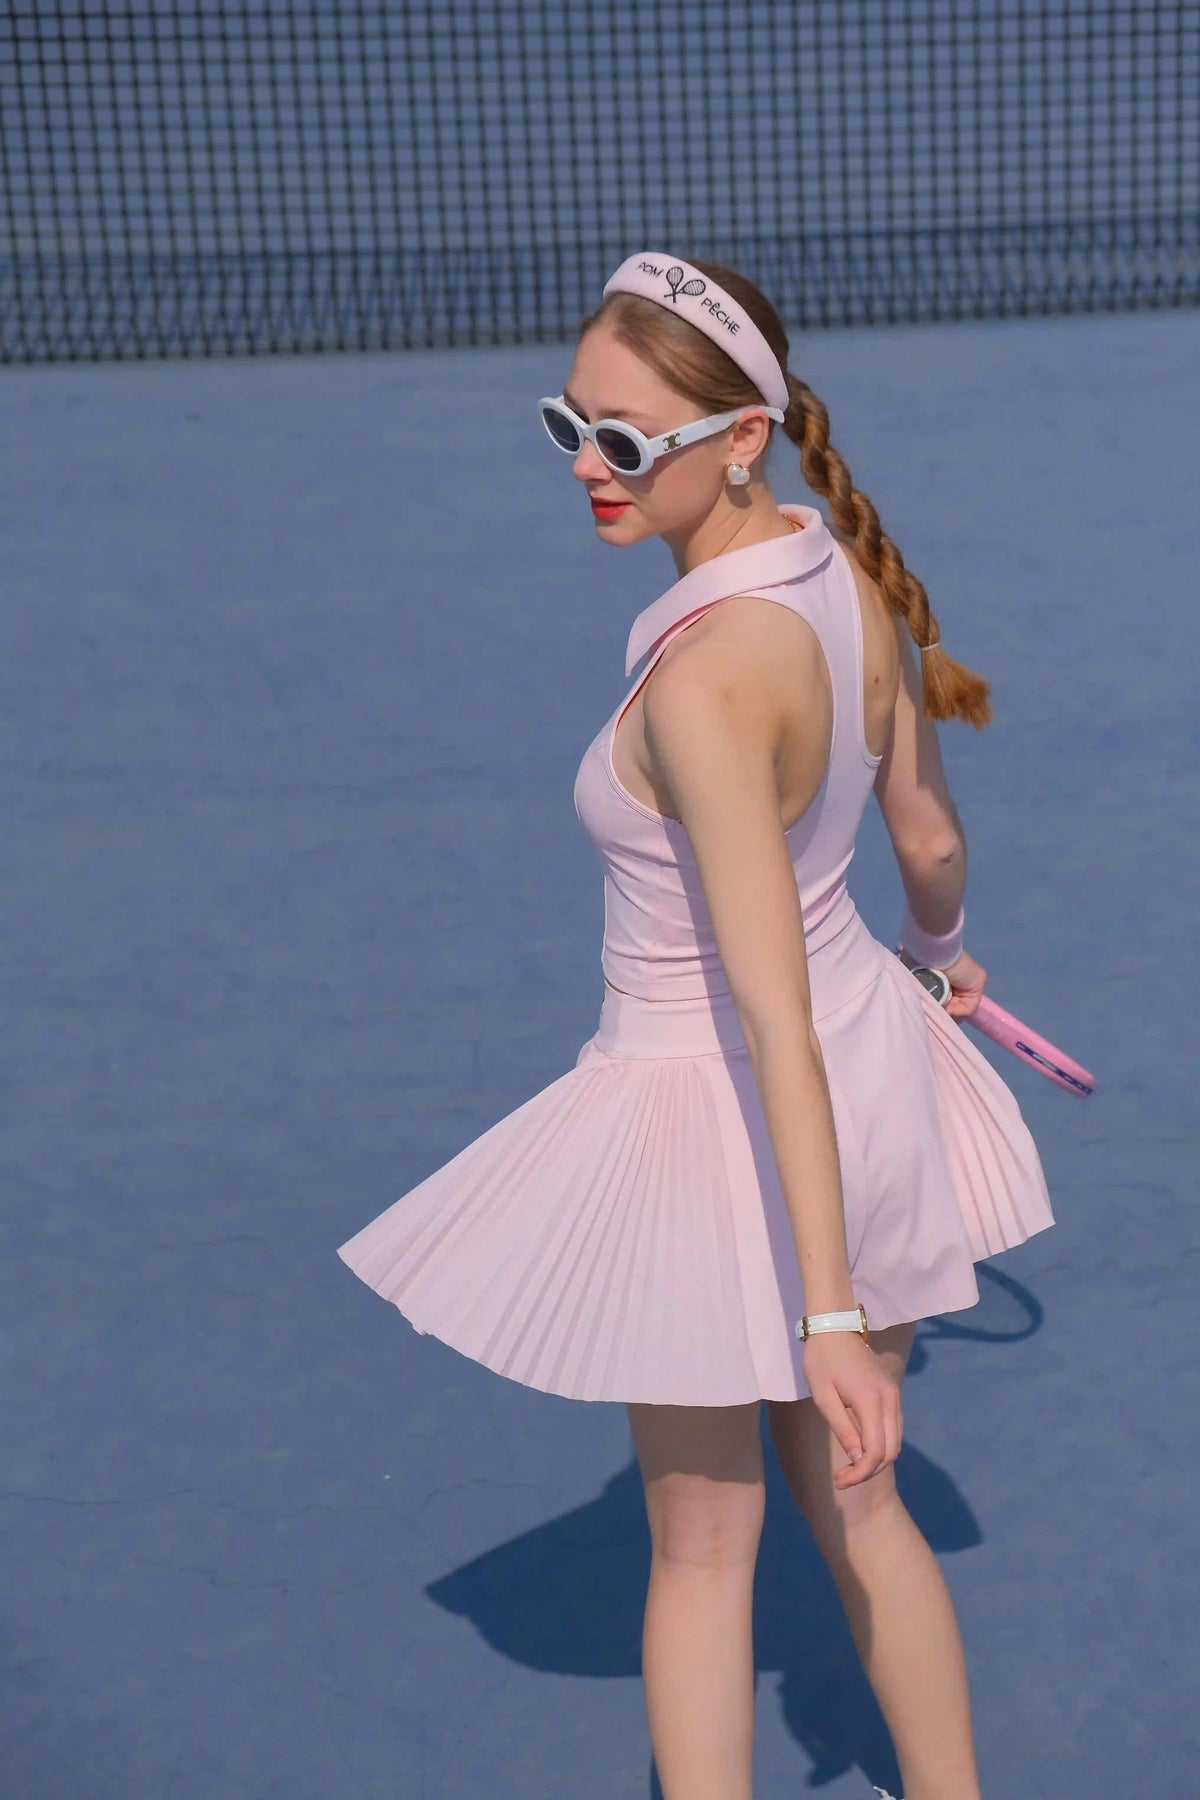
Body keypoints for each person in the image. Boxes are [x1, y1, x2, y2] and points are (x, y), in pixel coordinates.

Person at [337, 249, 1054, 1800]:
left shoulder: (707, 684)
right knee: (864, 1507)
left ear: (740, 438)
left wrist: (828, 1317)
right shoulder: (845, 570)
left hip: (724, 1118)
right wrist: (945, 956)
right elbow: (924, 843)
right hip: (869, 1071)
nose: (589, 470)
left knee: (704, 1547)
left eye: (626, 440)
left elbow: (766, 1020)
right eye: (569, 425)